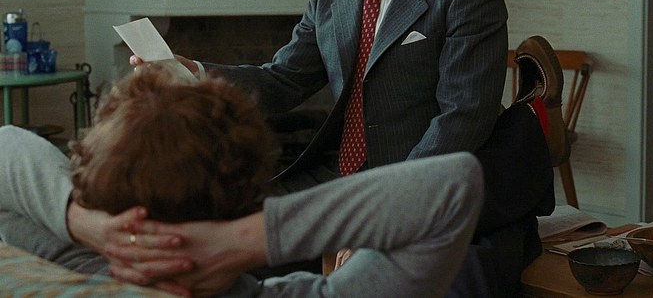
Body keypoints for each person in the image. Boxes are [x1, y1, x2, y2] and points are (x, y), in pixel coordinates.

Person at [69, 0, 559, 295]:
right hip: (333, 175)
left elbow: (461, 119)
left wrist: (381, 215)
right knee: (210, 235)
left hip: (415, 179)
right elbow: (282, 80)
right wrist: (193, 71)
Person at [0, 63, 483, 297]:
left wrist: (83, 223)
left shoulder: (54, 269)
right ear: (246, 203)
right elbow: (453, 185)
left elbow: (6, 144)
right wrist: (241, 243)